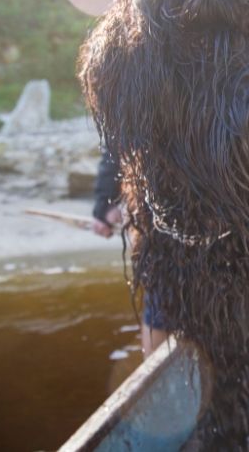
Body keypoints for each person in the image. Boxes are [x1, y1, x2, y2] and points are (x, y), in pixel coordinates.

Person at [92, 151, 169, 357]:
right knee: (162, 302)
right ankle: (159, 376)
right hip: (162, 223)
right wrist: (106, 205)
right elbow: (117, 143)